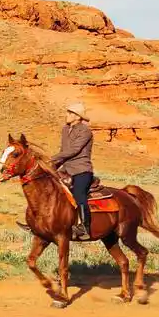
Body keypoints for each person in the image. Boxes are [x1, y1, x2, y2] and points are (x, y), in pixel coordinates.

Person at [52, 102, 95, 239]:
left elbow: (73, 150)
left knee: (78, 193)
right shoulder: (65, 129)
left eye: (70, 113)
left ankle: (84, 227)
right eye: (67, 112)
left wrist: (52, 157)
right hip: (66, 168)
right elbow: (64, 151)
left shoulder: (85, 131)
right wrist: (52, 165)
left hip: (81, 169)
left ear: (78, 117)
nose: (67, 115)